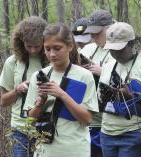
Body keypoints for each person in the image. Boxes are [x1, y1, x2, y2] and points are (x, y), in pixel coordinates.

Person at [23, 23, 98, 157]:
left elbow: (87, 120)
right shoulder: (38, 77)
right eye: (47, 49)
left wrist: (62, 94)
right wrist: (40, 103)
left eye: (57, 48)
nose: (52, 54)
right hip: (44, 151)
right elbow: (31, 121)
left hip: (76, 150)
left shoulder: (84, 76)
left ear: (70, 46)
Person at [98, 22, 141, 157]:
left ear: (131, 43)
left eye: (119, 49)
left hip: (133, 132)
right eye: (112, 49)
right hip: (107, 132)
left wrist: (131, 95)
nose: (115, 53)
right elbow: (99, 97)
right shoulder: (108, 65)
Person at [0, 16, 48, 157]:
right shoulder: (12, 62)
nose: (32, 50)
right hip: (20, 130)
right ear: (21, 42)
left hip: (47, 129)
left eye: (37, 46)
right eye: (28, 46)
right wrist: (17, 90)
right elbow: (3, 101)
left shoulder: (53, 60)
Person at [80, 9, 115, 157]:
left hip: (109, 123)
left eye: (97, 33)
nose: (93, 37)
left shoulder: (119, 50)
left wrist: (102, 72)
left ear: (109, 28)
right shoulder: (87, 49)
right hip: (87, 119)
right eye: (91, 33)